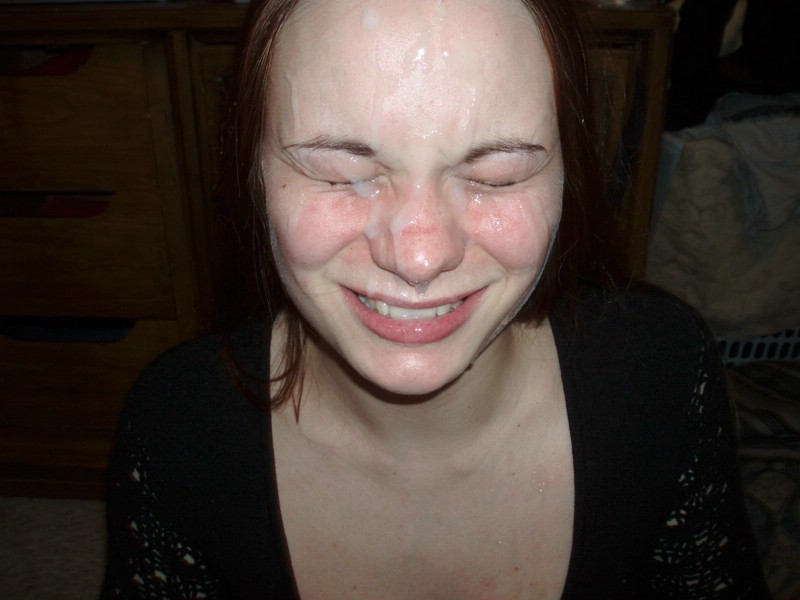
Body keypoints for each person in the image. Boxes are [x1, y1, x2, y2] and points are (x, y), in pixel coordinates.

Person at [102, 0, 770, 597]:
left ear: (570, 172)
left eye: (497, 175)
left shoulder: (663, 375)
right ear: (252, 170)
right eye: (340, 172)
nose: (419, 256)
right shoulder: (178, 431)